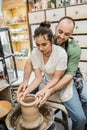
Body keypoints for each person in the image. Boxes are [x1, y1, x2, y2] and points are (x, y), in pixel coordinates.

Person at [17, 17, 87, 130]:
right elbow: (31, 62)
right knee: (25, 98)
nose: (62, 36)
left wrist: (49, 91)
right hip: (49, 76)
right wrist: (26, 84)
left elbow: (68, 75)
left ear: (72, 34)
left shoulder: (72, 50)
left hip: (68, 76)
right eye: (60, 32)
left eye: (67, 34)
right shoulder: (46, 38)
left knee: (84, 104)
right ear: (55, 28)